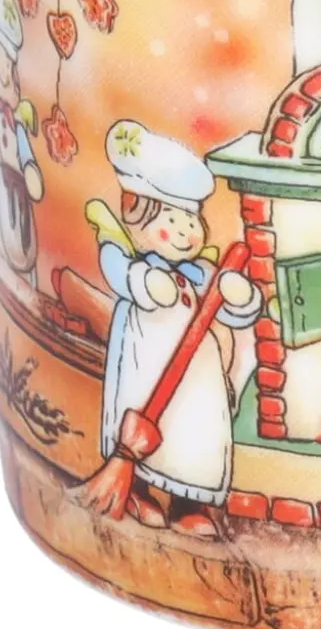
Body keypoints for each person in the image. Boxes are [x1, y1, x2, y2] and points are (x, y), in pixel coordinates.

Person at [94, 120, 262, 537]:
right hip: (146, 360)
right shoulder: (128, 258)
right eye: (174, 217)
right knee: (145, 415)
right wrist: (145, 282)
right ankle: (138, 488)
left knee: (194, 430)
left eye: (193, 218)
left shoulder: (200, 271)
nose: (188, 232)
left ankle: (190, 504)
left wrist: (239, 295)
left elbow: (232, 311)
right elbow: (118, 271)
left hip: (196, 374)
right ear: (138, 214)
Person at [0, 0, 42, 282]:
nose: (6, 74)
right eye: (1, 61)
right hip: (0, 178)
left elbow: (24, 151)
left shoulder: (15, 122)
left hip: (17, 184)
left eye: (10, 67)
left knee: (24, 242)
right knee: (6, 234)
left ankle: (24, 278)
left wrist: (30, 169)